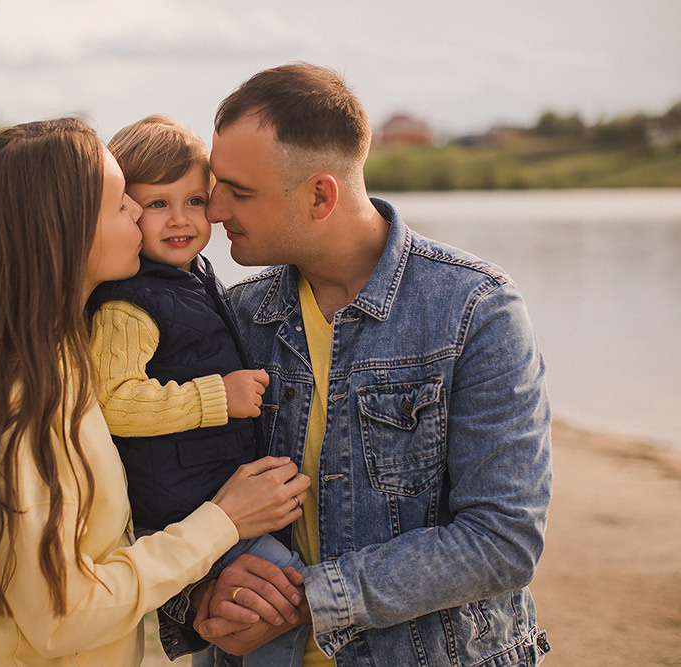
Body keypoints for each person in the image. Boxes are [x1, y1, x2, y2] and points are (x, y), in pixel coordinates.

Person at [0, 117, 311, 666]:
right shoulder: (19, 404)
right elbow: (64, 615)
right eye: (121, 203)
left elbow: (104, 545)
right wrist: (221, 522)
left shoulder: (64, 356)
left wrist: (203, 585)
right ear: (62, 231)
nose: (139, 212)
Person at [166, 63, 553, 666]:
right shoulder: (229, 316)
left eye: (239, 192)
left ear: (321, 195)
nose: (213, 210)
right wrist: (200, 597)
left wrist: (309, 601)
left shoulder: (474, 309)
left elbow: (504, 540)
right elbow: (160, 492)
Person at [87, 115, 310, 666]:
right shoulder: (129, 302)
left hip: (211, 491)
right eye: (157, 204)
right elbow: (115, 402)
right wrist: (217, 397)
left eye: (194, 200)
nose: (180, 218)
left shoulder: (195, 275)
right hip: (185, 502)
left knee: (252, 605)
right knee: (278, 595)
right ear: (126, 211)